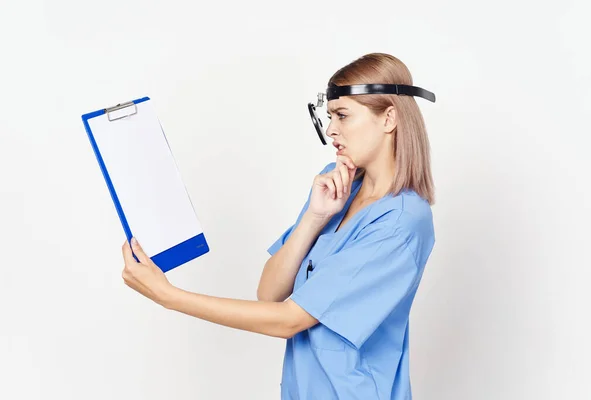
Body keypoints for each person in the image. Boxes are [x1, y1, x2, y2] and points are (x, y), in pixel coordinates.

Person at [121, 52, 436, 400]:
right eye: (330, 116)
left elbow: (289, 319)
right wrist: (315, 218)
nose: (332, 129)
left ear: (389, 118)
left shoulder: (400, 223)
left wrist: (169, 297)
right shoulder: (339, 191)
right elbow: (269, 293)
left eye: (343, 115)